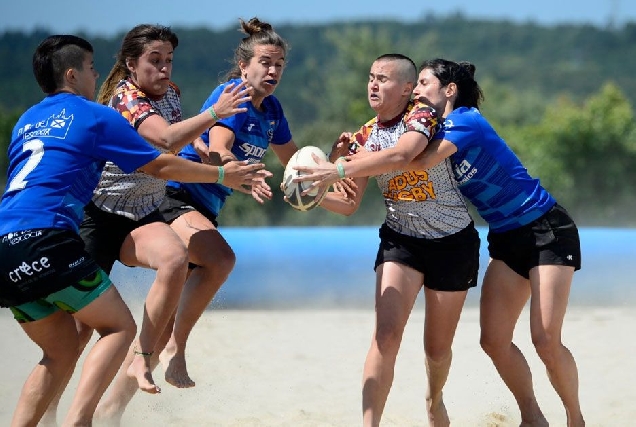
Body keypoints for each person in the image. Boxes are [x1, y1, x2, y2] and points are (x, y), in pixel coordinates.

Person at [0, 34, 264, 427]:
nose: (164, 67)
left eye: (169, 58)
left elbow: (178, 148)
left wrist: (213, 156)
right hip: (81, 224)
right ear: (73, 74)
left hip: (12, 243)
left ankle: (141, 364)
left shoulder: (27, 119)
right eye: (91, 68)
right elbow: (163, 153)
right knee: (105, 328)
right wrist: (221, 162)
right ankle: (78, 417)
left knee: (172, 260)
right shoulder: (105, 110)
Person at [92, 17, 301, 423]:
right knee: (220, 260)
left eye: (279, 64)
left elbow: (293, 164)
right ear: (244, 67)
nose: (273, 70)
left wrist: (332, 176)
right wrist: (232, 170)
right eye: (265, 62)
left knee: (157, 329)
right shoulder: (232, 96)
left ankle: (109, 410)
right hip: (175, 197)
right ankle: (176, 350)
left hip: (201, 205)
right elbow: (218, 145)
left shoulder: (272, 111)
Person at [295, 53, 481, 426]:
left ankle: (434, 399)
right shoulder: (362, 136)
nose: (373, 85)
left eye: (383, 78)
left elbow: (403, 153)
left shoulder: (423, 114)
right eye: (370, 77)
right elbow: (348, 204)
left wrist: (336, 168)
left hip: (452, 243)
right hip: (402, 241)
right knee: (385, 336)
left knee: (437, 349)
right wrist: (310, 194)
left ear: (407, 88)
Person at [406, 59, 584, 426]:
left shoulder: (464, 121)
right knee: (493, 341)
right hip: (505, 237)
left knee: (545, 341)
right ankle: (533, 418)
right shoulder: (434, 130)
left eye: (423, 83)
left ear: (449, 90)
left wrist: (351, 163)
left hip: (546, 229)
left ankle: (575, 419)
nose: (416, 91)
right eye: (414, 86)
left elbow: (416, 162)